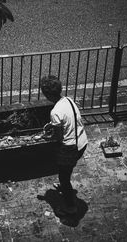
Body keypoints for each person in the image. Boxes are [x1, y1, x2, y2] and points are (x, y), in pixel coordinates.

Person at [40, 75, 88, 214]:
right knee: (68, 169)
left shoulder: (55, 112)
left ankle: (70, 207)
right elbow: (69, 120)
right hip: (82, 141)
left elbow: (59, 137)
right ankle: (65, 187)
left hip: (70, 148)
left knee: (64, 177)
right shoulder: (68, 100)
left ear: (47, 94)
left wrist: (47, 137)